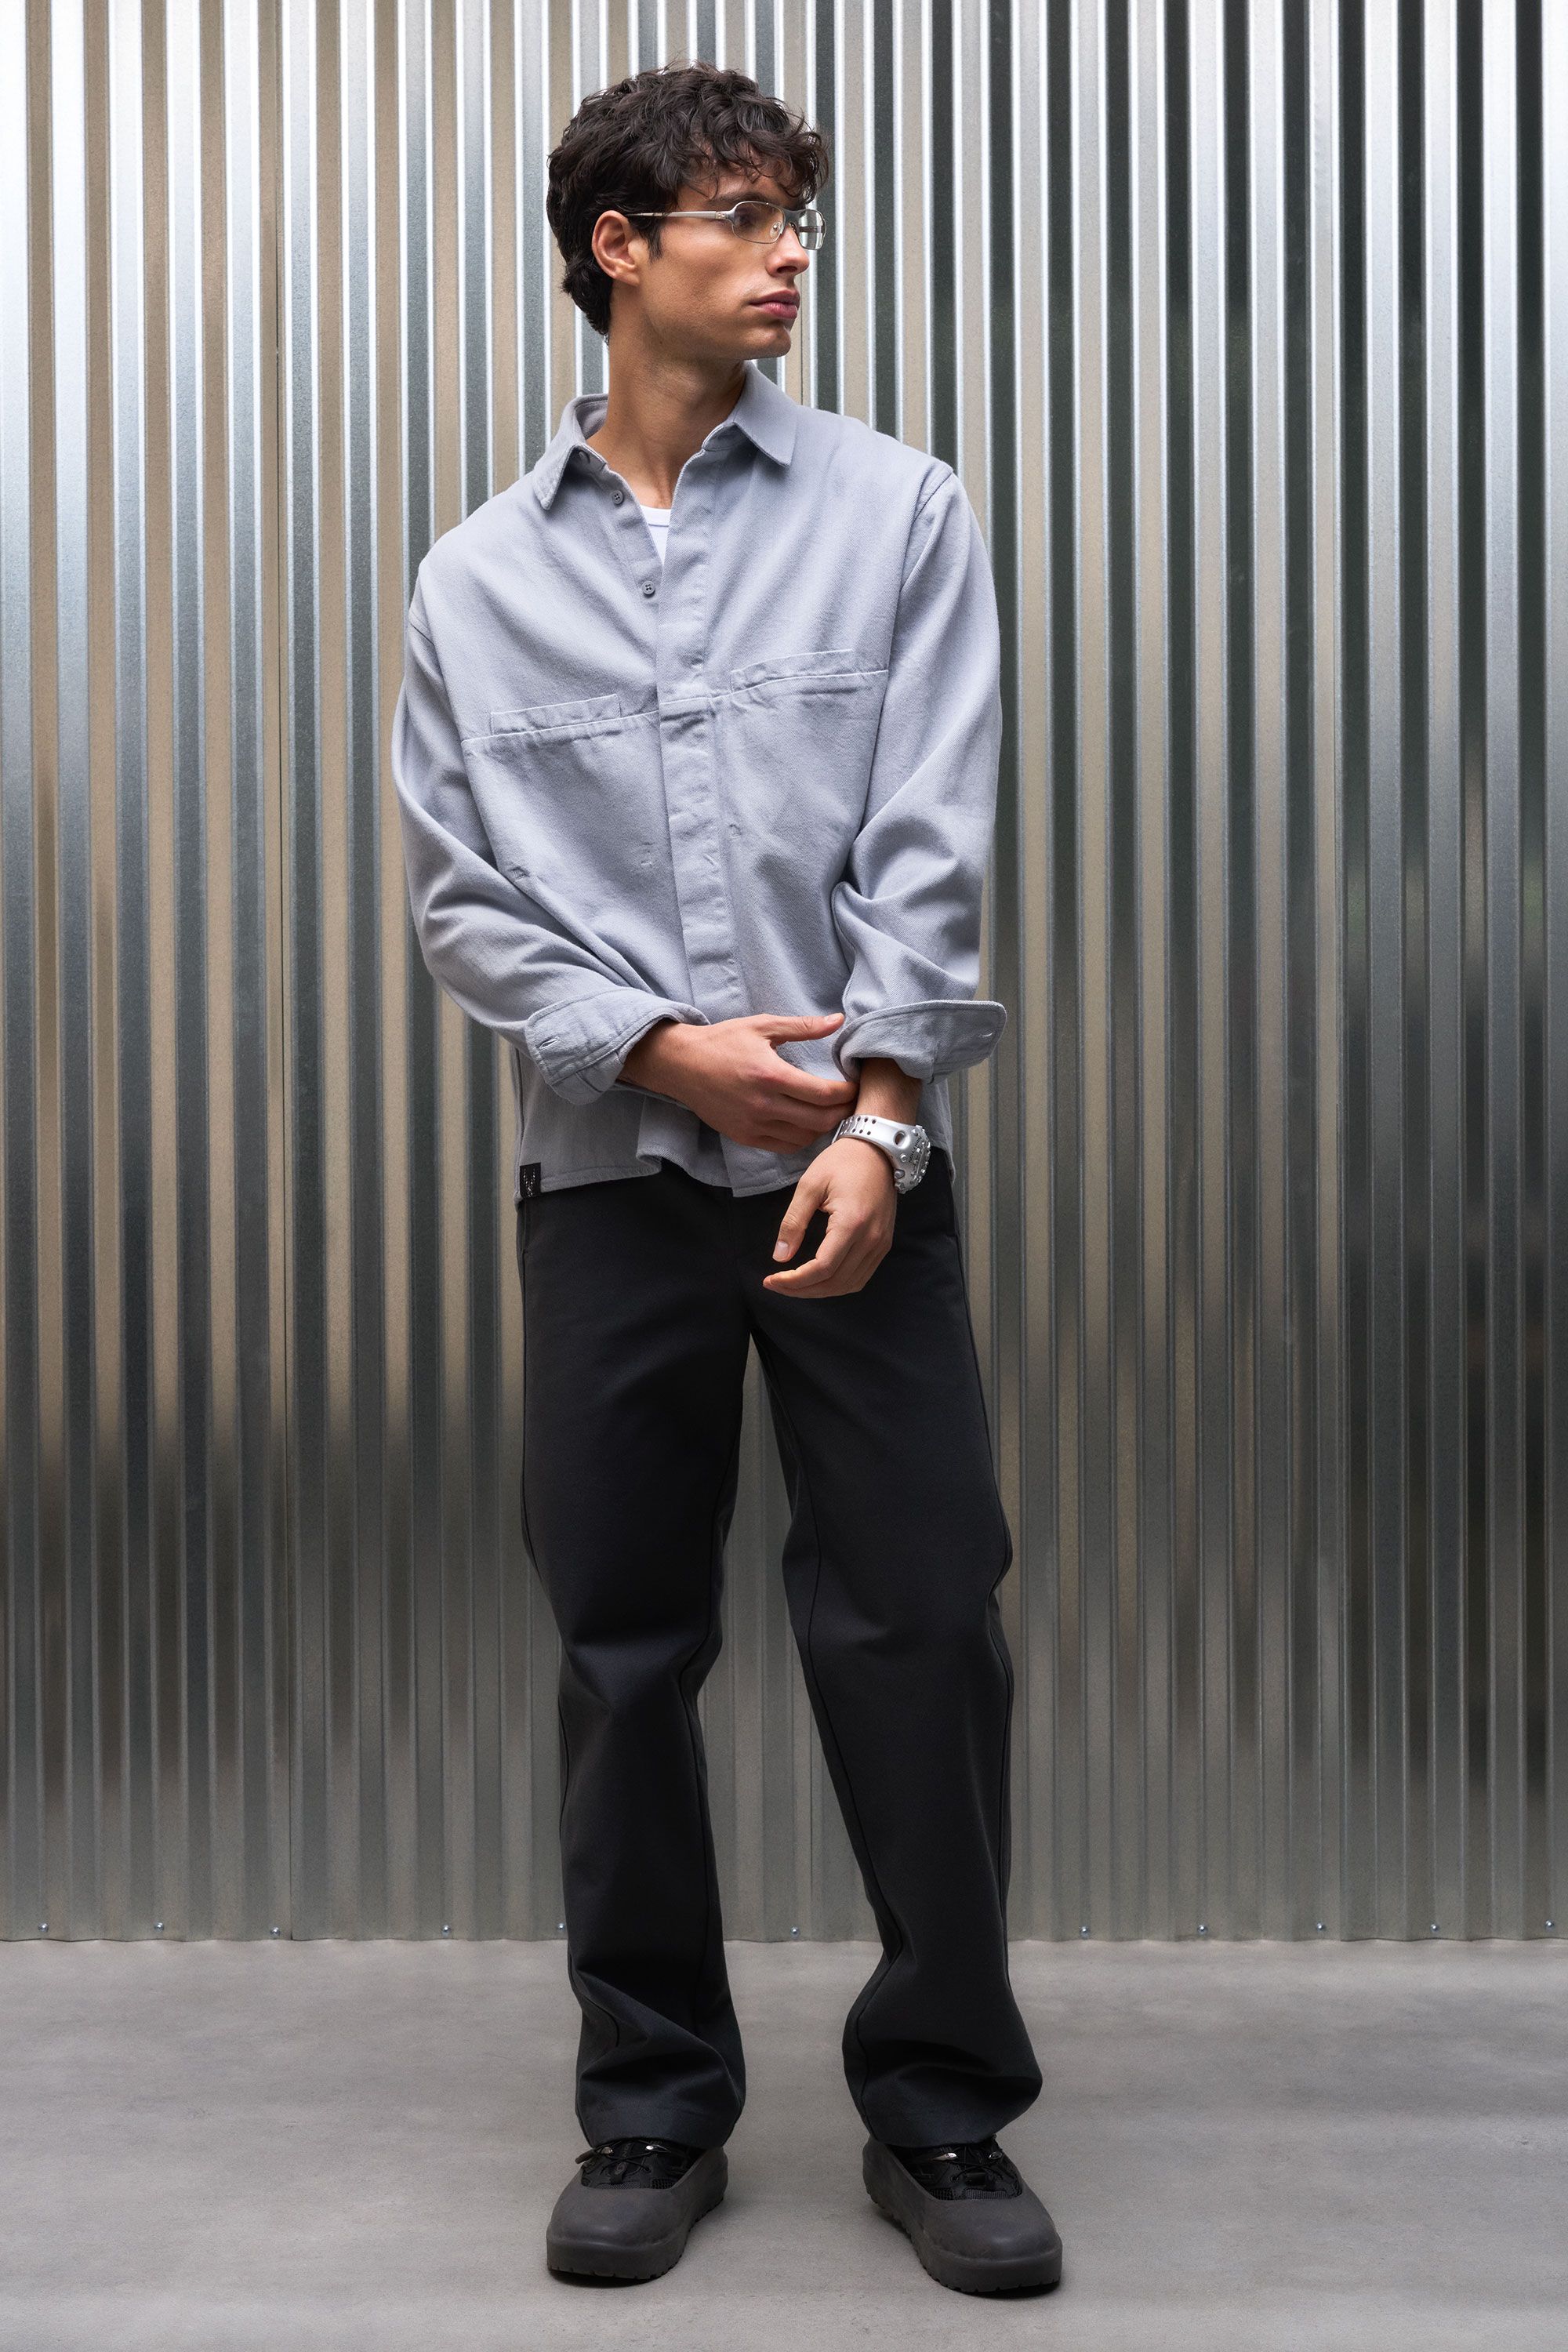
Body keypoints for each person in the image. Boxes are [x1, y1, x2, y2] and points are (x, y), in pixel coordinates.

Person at [390, 58, 1060, 2300]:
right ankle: (653, 2099)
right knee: (622, 1647)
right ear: (619, 249)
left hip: (861, 1174)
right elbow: (464, 899)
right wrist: (658, 1048)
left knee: (919, 1624)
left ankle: (943, 2105)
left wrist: (878, 1118)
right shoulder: (476, 580)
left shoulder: (901, 513)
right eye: (745, 221)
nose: (787, 260)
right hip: (607, 1183)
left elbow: (933, 837)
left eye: (796, 222)